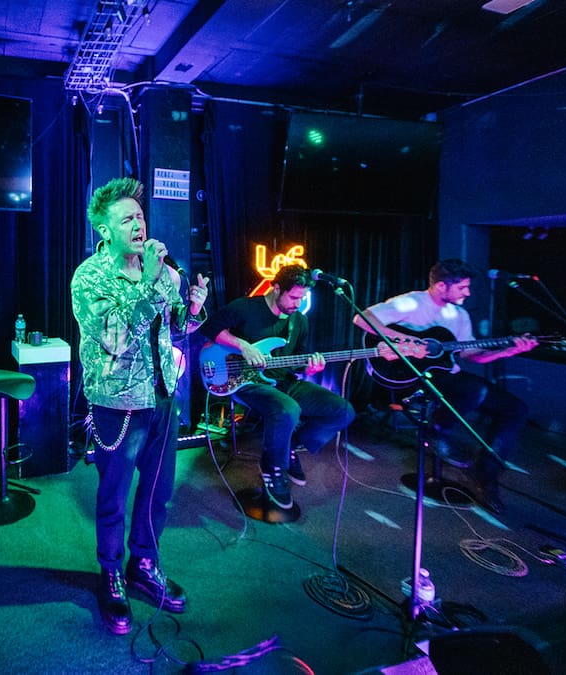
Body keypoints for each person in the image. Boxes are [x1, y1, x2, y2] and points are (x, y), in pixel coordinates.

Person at [70, 177, 209, 635]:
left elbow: (175, 328)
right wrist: (148, 282)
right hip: (117, 404)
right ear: (104, 230)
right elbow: (114, 338)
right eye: (126, 218)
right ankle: (110, 572)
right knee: (113, 494)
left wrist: (193, 308)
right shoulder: (90, 277)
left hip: (163, 398)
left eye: (140, 216)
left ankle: (144, 564)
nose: (138, 225)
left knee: (158, 491)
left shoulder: (165, 272)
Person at [353, 258, 537, 515]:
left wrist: (507, 351)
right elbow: (362, 318)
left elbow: (471, 354)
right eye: (462, 287)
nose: (468, 293)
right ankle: (437, 430)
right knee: (474, 390)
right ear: (441, 286)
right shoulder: (413, 302)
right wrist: (407, 340)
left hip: (447, 376)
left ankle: (485, 474)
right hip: (413, 377)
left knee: (516, 408)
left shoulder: (460, 315)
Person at [200, 264, 356, 510]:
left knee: (343, 410)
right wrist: (243, 346)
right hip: (243, 382)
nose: (298, 304)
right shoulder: (245, 307)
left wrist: (309, 369)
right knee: (287, 409)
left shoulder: (299, 321)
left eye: (302, 298)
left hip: (281, 382)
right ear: (276, 288)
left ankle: (290, 446)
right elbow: (209, 328)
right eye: (293, 297)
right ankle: (272, 467)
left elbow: (296, 361)